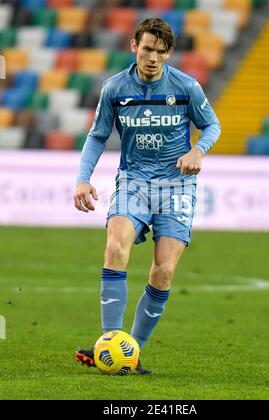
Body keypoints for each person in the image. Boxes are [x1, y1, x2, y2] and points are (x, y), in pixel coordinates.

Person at [74, 17, 221, 374]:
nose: (152, 57)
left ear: (169, 53)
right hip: (134, 182)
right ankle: (110, 345)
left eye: (159, 51)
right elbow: (97, 136)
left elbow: (212, 125)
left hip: (177, 186)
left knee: (163, 271)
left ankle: (132, 353)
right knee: (114, 247)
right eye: (146, 49)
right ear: (133, 47)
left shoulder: (187, 87)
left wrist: (198, 150)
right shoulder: (114, 88)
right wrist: (83, 179)